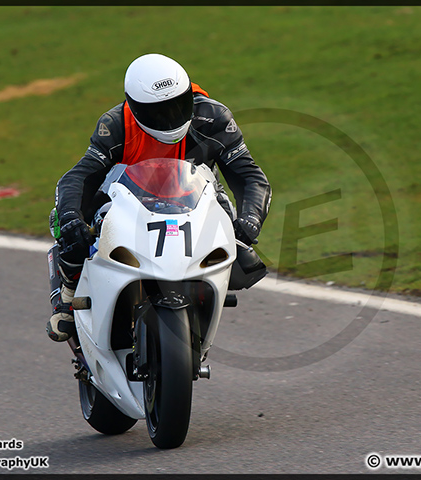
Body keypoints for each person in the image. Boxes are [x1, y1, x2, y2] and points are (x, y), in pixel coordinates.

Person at [47, 53, 271, 342]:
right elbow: (78, 177)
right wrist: (71, 219)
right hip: (130, 205)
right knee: (67, 220)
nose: (171, 119)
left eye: (179, 106)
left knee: (240, 246)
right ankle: (67, 294)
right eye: (159, 113)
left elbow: (250, 177)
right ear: (135, 109)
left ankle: (205, 294)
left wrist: (251, 218)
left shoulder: (214, 118)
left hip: (194, 203)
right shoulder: (116, 125)